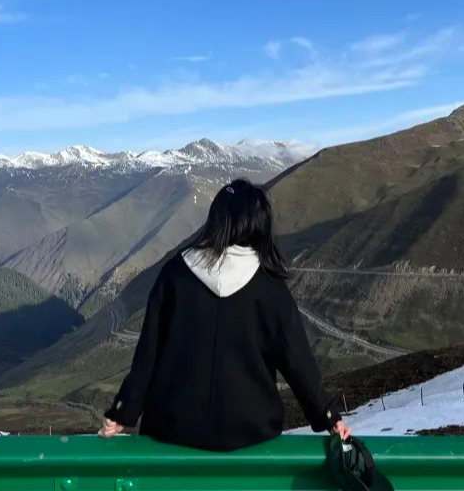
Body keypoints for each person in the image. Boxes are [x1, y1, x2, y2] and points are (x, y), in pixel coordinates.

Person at [98, 178, 352, 451]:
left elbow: (148, 353)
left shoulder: (176, 273)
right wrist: (327, 416)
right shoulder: (269, 287)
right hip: (250, 430)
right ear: (259, 224)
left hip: (173, 427)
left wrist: (123, 412)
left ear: (216, 219)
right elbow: (296, 360)